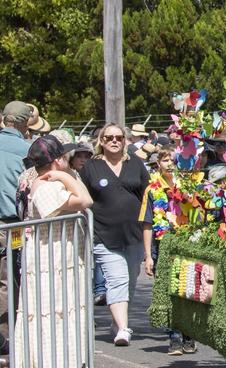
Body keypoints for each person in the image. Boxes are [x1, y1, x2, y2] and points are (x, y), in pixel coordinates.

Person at [9, 135, 92, 368]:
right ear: (57, 160)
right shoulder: (45, 185)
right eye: (65, 157)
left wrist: (66, 177)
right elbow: (85, 200)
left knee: (66, 310)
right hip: (48, 260)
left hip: (62, 258)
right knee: (49, 312)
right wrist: (64, 176)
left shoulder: (54, 181)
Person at [80, 123, 149, 347]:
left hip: (133, 234)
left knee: (129, 281)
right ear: (101, 141)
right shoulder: (91, 167)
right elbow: (82, 197)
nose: (114, 141)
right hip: (103, 234)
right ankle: (123, 329)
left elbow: (147, 194)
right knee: (116, 280)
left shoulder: (136, 164)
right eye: (108, 137)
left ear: (125, 141)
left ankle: (116, 321)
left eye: (118, 137)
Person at [139, 147, 194, 356]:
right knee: (169, 292)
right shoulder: (152, 189)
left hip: (187, 243)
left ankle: (189, 334)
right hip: (163, 245)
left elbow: (199, 212)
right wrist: (147, 255)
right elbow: (146, 224)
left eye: (173, 159)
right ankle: (175, 336)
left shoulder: (188, 185)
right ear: (158, 164)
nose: (169, 163)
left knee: (188, 290)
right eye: (165, 160)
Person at [0, 101, 32, 355]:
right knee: (9, 279)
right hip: (12, 226)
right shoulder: (27, 150)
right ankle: (5, 337)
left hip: (10, 224)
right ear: (23, 123)